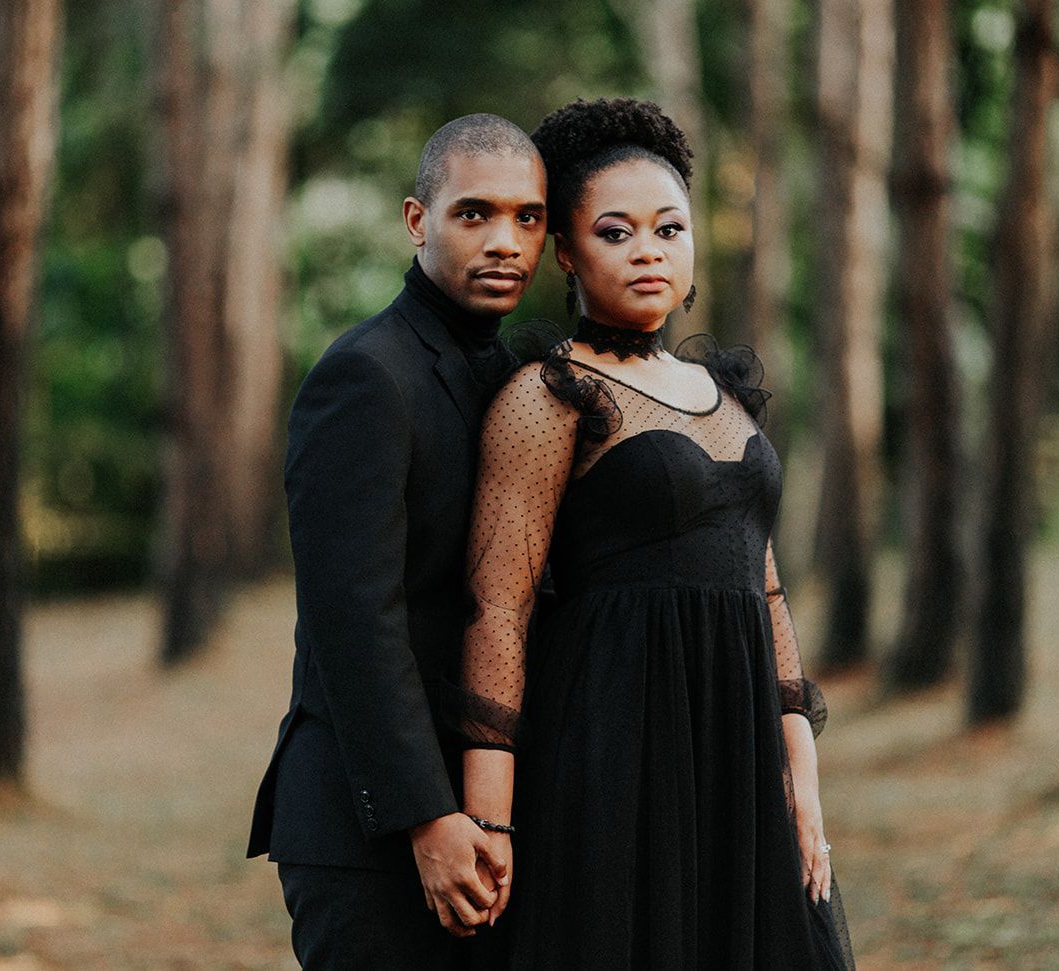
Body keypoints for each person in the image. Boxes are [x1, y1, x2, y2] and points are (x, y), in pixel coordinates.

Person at [452, 98, 856, 969]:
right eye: (616, 230)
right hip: (612, 748)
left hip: (737, 749)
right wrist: (489, 817)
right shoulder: (550, 395)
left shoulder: (727, 390)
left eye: (669, 228)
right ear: (567, 251)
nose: (647, 249)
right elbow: (498, 607)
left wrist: (801, 774)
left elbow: (767, 584)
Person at [247, 113, 549, 968]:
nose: (505, 241)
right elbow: (355, 620)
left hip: (485, 814)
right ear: (418, 221)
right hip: (368, 826)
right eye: (475, 213)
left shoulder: (518, 378)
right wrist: (429, 816)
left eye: (528, 218)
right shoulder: (365, 376)